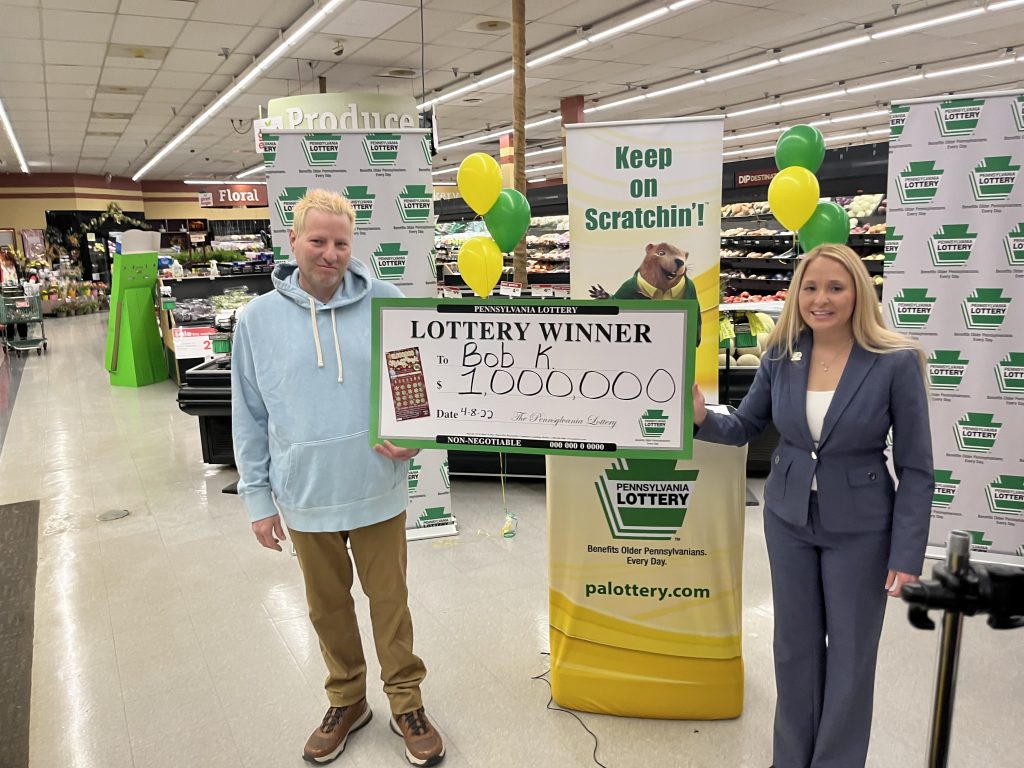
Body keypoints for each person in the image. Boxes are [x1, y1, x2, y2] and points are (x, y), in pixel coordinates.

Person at [692, 243, 934, 768]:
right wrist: (702, 417)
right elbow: (747, 425)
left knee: (850, 656)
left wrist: (907, 551)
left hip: (862, 530)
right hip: (788, 520)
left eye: (835, 287)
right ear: (797, 294)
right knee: (794, 649)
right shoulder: (781, 355)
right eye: (810, 287)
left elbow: (917, 468)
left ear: (858, 293)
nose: (821, 299)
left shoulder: (895, 362)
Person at [232, 189, 445, 767]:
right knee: (327, 608)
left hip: (376, 485)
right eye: (318, 240)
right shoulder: (256, 320)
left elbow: (413, 381)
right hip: (304, 493)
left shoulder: (388, 301)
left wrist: (416, 435)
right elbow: (249, 413)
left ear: (353, 246)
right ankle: (347, 700)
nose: (330, 253)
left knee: (390, 603)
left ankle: (406, 701)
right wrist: (257, 497)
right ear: (293, 241)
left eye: (341, 243)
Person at [1, 248, 29, 343]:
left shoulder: (17, 268)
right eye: (6, 260)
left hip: (18, 295)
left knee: (21, 317)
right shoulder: (1, 269)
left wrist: (22, 283)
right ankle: (10, 340)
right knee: (9, 318)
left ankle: (23, 338)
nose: (8, 263)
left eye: (9, 260)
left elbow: (22, 278)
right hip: (6, 296)